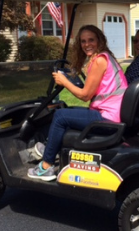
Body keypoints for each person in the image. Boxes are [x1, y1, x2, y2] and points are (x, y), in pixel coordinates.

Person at [28, 25, 128, 181]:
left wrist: (65, 81)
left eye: (91, 40)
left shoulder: (100, 60)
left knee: (60, 115)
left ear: (99, 40)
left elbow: (85, 95)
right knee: (68, 110)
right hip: (112, 114)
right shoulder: (106, 57)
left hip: (108, 119)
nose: (87, 44)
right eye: (83, 41)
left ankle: (46, 166)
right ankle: (50, 149)